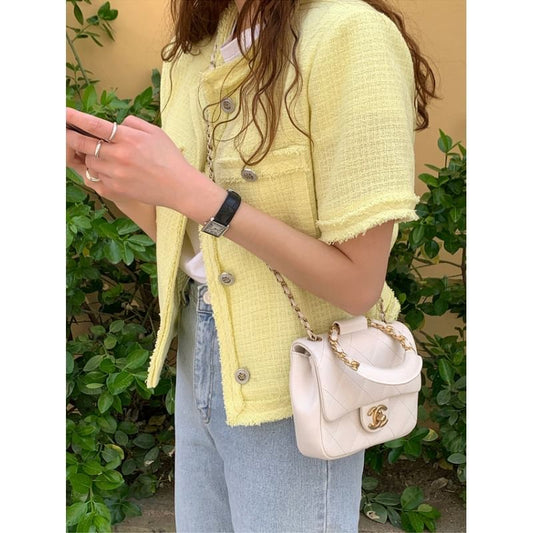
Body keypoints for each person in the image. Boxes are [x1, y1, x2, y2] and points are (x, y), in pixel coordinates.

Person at [66, 0, 436, 530]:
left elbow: (358, 284)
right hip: (199, 349)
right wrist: (107, 174)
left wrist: (196, 195)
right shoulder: (193, 50)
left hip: (297, 372)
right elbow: (195, 246)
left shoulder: (349, 36)